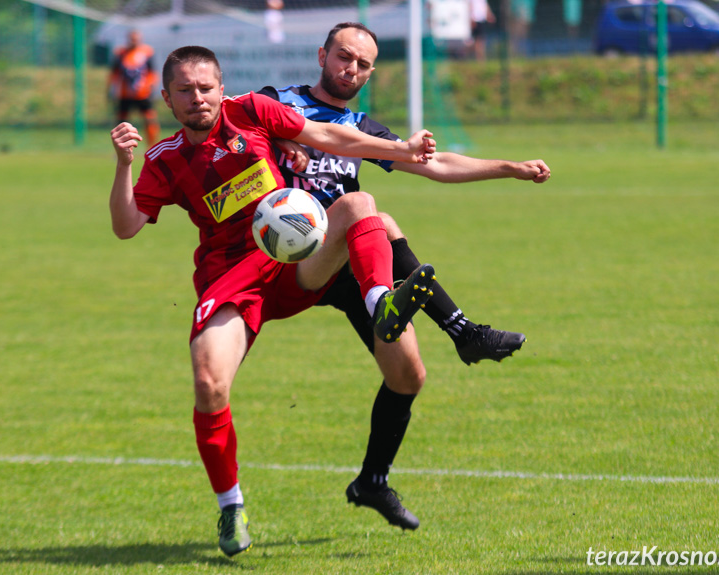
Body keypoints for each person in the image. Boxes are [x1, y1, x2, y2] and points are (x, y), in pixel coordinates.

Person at [109, 45, 439, 558]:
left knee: (357, 204)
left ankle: (380, 302)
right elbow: (126, 226)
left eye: (205, 87)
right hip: (233, 280)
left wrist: (400, 150)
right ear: (168, 101)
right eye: (184, 91)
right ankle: (230, 504)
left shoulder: (251, 111)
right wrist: (124, 165)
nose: (197, 98)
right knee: (208, 382)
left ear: (222, 87)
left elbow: (327, 134)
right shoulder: (166, 159)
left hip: (295, 261)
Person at [258, 21, 550, 529]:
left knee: (408, 375)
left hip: (348, 261)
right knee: (366, 208)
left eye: (363, 64)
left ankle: (371, 481)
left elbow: (436, 165)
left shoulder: (364, 128)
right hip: (287, 255)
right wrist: (277, 142)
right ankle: (464, 331)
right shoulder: (274, 102)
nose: (351, 69)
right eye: (343, 57)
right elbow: (234, 129)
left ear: (371, 73)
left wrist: (511, 166)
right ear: (322, 54)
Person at [109, 29, 160, 147]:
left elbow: (152, 72)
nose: (134, 41)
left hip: (143, 93)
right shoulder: (121, 53)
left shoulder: (147, 52)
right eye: (132, 39)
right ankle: (121, 148)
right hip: (125, 93)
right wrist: (111, 90)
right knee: (121, 121)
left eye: (136, 39)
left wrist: (152, 86)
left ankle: (151, 146)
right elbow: (114, 73)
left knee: (149, 119)